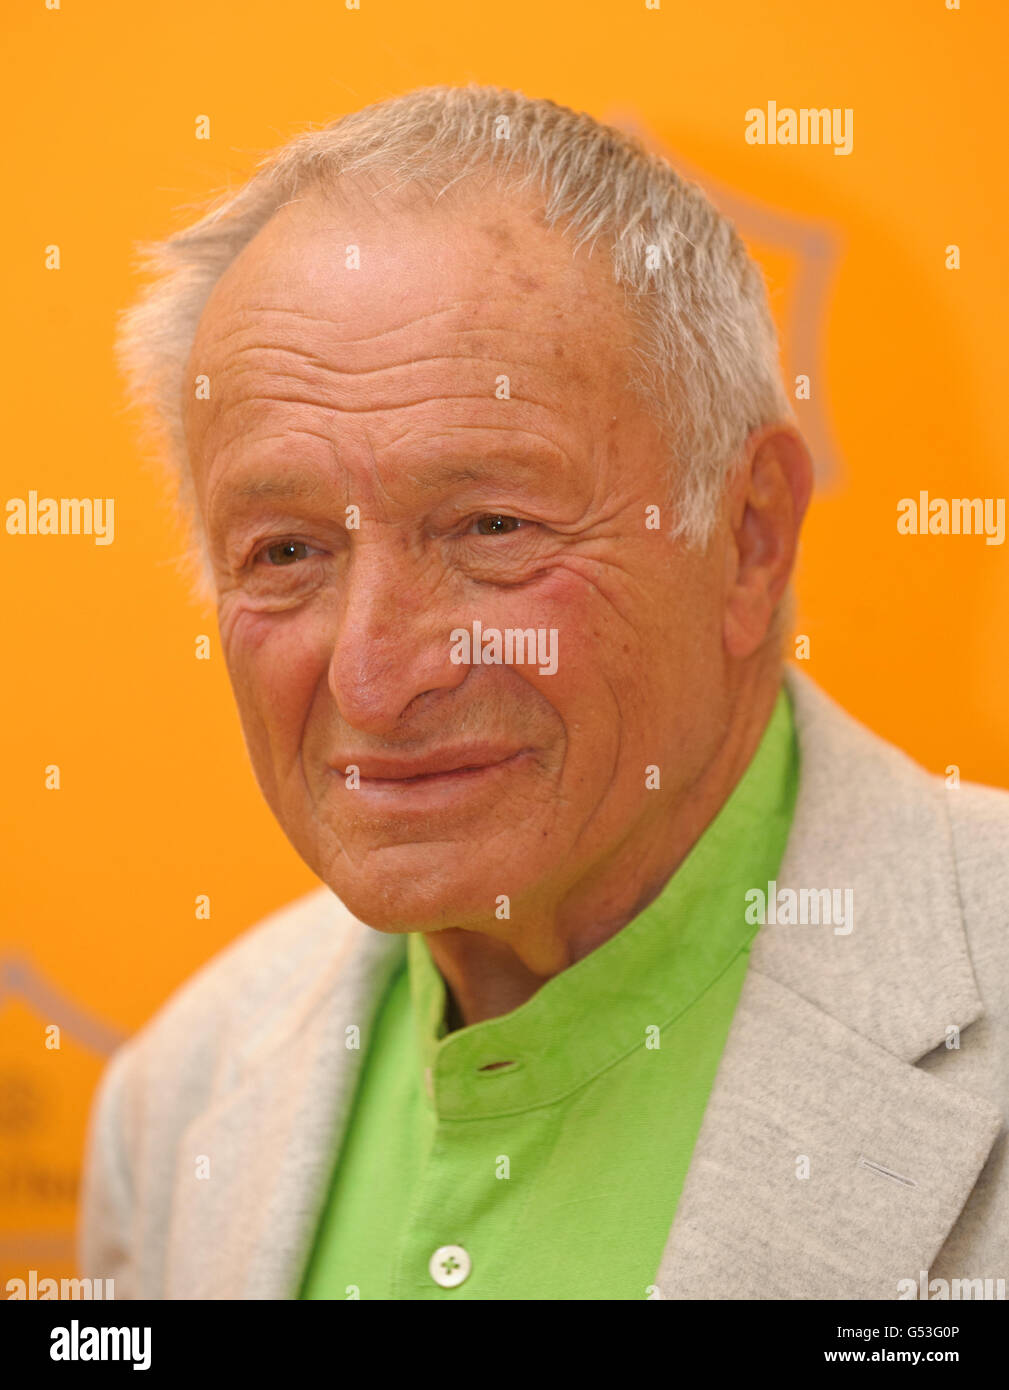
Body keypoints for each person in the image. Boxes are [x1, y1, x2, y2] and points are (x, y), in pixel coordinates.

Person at [78, 85, 1008, 1300]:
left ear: (749, 536)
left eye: (491, 526)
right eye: (288, 551)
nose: (373, 675)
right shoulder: (174, 1104)